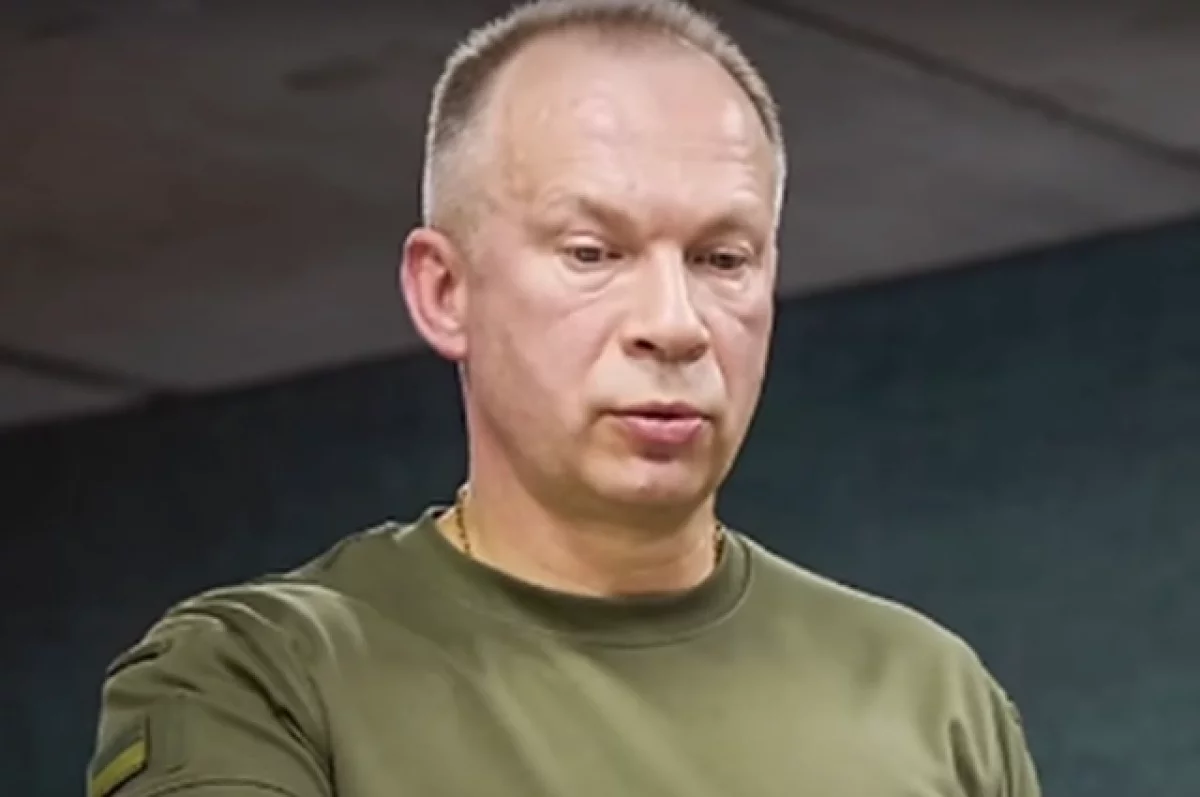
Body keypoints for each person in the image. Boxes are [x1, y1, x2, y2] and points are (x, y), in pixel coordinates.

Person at [88, 0, 1042, 795]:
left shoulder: (931, 697)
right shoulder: (258, 679)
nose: (675, 323)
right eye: (593, 252)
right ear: (445, 291)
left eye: (722, 259)